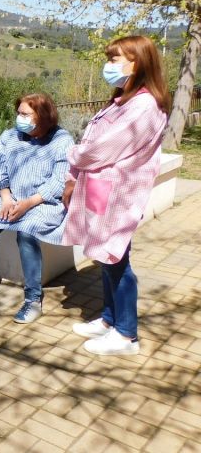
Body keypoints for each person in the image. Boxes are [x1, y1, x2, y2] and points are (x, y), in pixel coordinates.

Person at [64, 35, 169, 356]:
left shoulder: (144, 106)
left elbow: (100, 149)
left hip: (118, 196)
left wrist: (72, 155)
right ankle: (110, 319)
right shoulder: (123, 99)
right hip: (102, 193)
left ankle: (126, 335)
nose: (108, 66)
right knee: (107, 260)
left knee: (117, 262)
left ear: (140, 63)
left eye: (115, 59)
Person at [0, 93, 74, 324]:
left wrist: (28, 203)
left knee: (27, 234)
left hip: (44, 202)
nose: (19, 118)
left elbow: (58, 181)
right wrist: (5, 197)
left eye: (25, 114)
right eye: (19, 113)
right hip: (11, 197)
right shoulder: (9, 137)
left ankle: (33, 298)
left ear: (43, 116)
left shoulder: (62, 140)